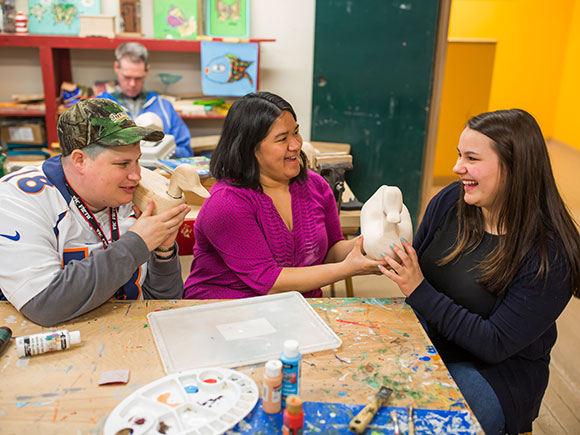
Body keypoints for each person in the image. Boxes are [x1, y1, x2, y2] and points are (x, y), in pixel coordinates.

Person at [379, 109, 580, 434]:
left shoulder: (550, 255)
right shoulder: (450, 201)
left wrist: (417, 288)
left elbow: (494, 343)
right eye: (460, 155)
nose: (457, 168)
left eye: (471, 158)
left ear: (515, 167)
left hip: (497, 372)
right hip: (428, 344)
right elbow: (417, 276)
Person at [0, 99, 190, 327]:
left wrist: (163, 251)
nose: (136, 175)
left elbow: (163, 305)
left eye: (137, 161)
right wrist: (136, 244)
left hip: (126, 340)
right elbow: (44, 304)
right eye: (123, 164)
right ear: (80, 160)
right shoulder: (16, 198)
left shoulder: (133, 195)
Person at [184, 92, 385, 299]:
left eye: (296, 132)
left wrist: (372, 244)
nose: (296, 145)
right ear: (250, 149)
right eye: (282, 139)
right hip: (224, 311)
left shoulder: (316, 186)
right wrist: (349, 269)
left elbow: (329, 252)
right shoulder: (226, 203)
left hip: (294, 308)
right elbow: (268, 282)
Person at [98, 42, 194, 158]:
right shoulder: (99, 107)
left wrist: (166, 150)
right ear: (116, 68)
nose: (132, 84)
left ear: (147, 70)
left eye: (138, 78)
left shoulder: (164, 107)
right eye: (127, 77)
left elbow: (186, 152)